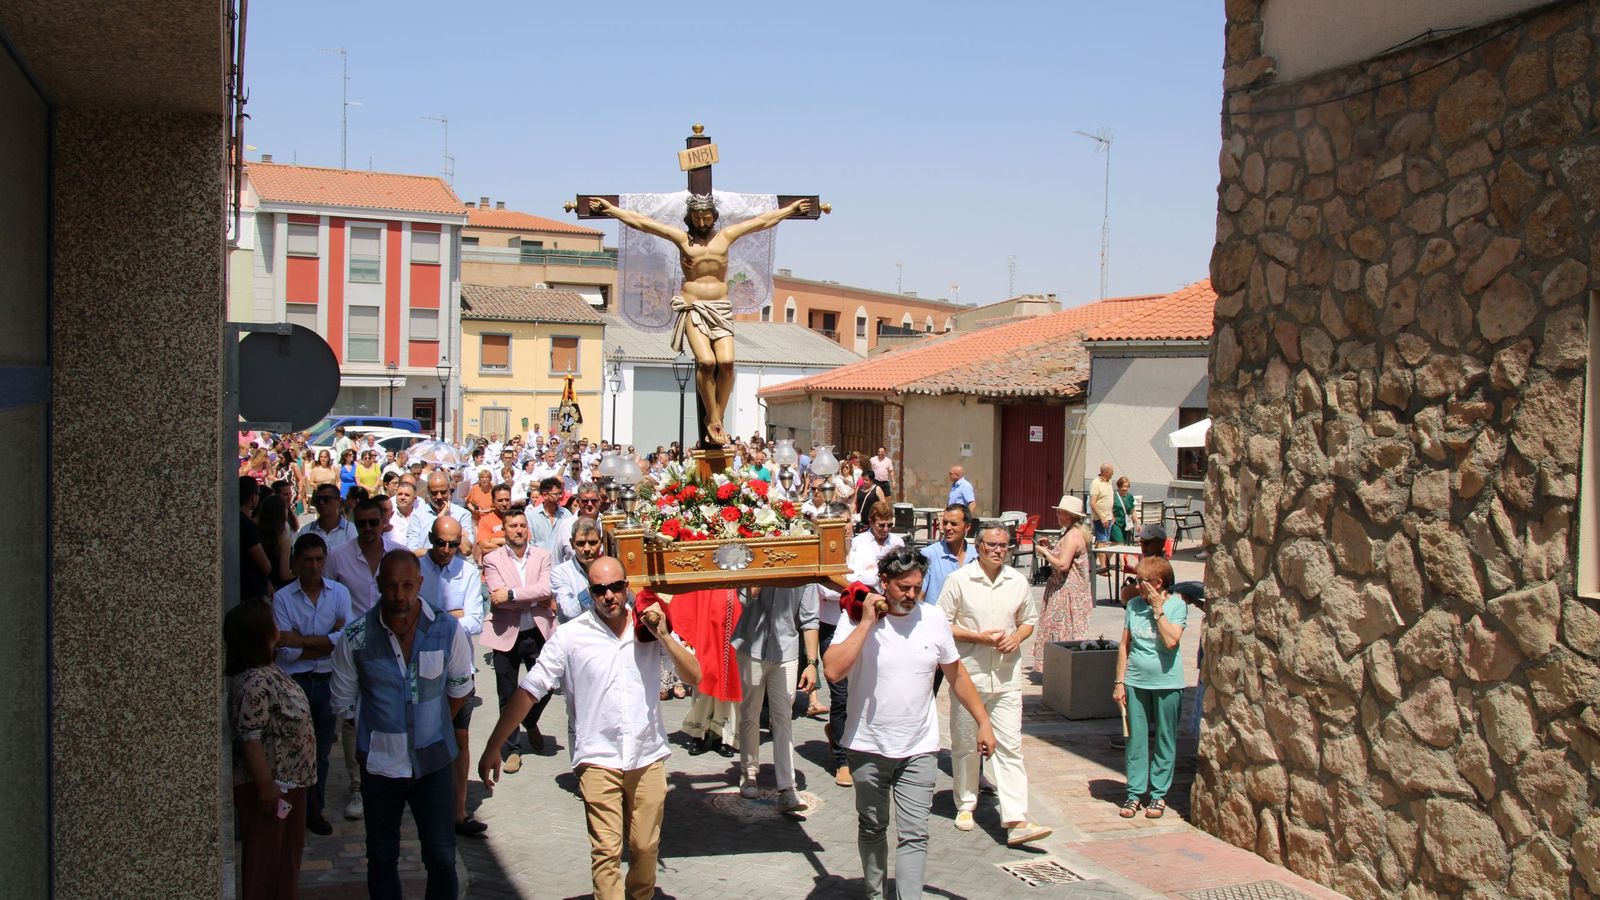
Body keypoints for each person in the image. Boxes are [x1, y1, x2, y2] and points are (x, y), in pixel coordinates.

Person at [478, 557, 703, 900]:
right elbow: (529, 690)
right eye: (600, 589)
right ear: (590, 592)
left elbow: (694, 675)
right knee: (607, 852)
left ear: (627, 586)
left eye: (616, 587)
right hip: (597, 757)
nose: (609, 595)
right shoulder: (570, 636)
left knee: (645, 846)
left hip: (647, 755)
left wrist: (663, 635)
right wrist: (494, 744)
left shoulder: (649, 627)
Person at [824, 548, 997, 900]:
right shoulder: (855, 618)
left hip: (919, 747)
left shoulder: (933, 618)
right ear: (884, 582)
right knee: (873, 827)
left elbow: (956, 674)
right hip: (868, 746)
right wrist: (867, 623)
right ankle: (875, 894)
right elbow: (833, 670)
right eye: (904, 587)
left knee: (915, 833)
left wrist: (983, 721)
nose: (911, 595)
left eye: (917, 588)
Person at [331, 551, 474, 900]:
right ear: (379, 584)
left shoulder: (447, 629)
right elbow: (344, 704)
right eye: (392, 586)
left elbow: (460, 689)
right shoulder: (356, 637)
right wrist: (379, 730)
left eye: (408, 585)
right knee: (382, 858)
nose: (400, 595)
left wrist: (432, 725)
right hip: (380, 768)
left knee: (442, 857)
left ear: (420, 584)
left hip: (433, 764)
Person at [938, 526, 1051, 845]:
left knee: (1010, 745)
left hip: (1006, 677)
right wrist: (978, 638)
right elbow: (941, 623)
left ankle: (1016, 817)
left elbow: (1029, 620)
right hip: (968, 676)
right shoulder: (959, 580)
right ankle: (966, 803)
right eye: (992, 544)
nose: (999, 550)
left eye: (1004, 545)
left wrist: (1016, 637)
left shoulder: (1017, 581)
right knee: (965, 744)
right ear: (978, 546)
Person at [226, 599, 316, 900]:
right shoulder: (253, 682)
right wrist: (265, 786)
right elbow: (250, 737)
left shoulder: (268, 671)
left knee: (285, 859)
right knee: (265, 862)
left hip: (291, 782)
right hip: (271, 788)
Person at [324, 497, 407, 821]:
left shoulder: (397, 553)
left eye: (374, 522)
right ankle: (357, 786)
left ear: (383, 522)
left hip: (391, 642)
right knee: (350, 717)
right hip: (354, 645)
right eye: (362, 523)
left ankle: (394, 776)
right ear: (353, 523)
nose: (368, 528)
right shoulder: (338, 555)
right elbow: (328, 593)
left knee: (393, 708)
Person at [272, 533, 353, 836]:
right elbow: (286, 650)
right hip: (295, 683)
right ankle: (290, 809)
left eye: (319, 559)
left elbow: (348, 639)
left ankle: (313, 810)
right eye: (307, 560)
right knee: (292, 749)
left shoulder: (339, 593)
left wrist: (301, 639)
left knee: (320, 752)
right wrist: (328, 640)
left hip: (327, 681)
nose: (314, 566)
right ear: (296, 562)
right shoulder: (283, 599)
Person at [416, 515, 486, 837]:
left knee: (460, 737)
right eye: (440, 543)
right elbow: (410, 616)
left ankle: (458, 810)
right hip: (420, 669)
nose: (445, 550)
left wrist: (434, 617)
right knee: (423, 735)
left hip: (458, 669)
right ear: (431, 539)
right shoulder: (416, 569)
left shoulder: (468, 572)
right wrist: (452, 616)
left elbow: (474, 621)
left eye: (453, 545)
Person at [479, 507, 557, 770]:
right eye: (513, 526)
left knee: (547, 685)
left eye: (522, 525)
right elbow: (496, 596)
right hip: (506, 633)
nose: (519, 530)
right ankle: (512, 749)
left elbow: (546, 588)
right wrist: (534, 598)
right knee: (507, 693)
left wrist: (513, 595)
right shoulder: (492, 559)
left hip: (538, 631)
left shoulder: (542, 556)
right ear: (504, 530)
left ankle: (529, 719)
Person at [731, 584, 819, 811]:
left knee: (783, 717)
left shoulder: (804, 574)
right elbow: (744, 598)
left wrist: (811, 663)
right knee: (750, 713)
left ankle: (788, 786)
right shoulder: (753, 564)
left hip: (786, 650)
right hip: (751, 646)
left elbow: (810, 619)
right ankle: (749, 772)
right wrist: (761, 577)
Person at [1114, 556, 1187, 820]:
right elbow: (1124, 646)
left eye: (1141, 581)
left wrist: (1158, 609)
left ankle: (1158, 794)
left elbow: (1171, 641)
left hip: (1168, 683)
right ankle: (1134, 793)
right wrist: (1119, 682)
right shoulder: (1134, 605)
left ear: (1157, 583)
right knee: (1135, 739)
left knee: (1165, 739)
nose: (1136, 586)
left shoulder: (1177, 606)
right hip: (1136, 682)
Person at [1033, 496, 1095, 671]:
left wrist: (1045, 553)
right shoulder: (1073, 532)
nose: (1058, 515)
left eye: (1061, 512)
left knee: (1061, 629)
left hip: (1066, 591)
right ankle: (1062, 667)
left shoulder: (1072, 535)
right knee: (1064, 629)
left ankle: (1061, 667)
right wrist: (1051, 548)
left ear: (1069, 515)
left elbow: (1063, 565)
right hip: (1069, 590)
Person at [551, 517, 605, 623]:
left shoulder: (609, 568)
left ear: (601, 542)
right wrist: (594, 588)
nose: (587, 549)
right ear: (572, 543)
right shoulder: (560, 573)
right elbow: (568, 612)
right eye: (581, 543)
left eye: (592, 543)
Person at [407, 471, 473, 556]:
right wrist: (457, 535)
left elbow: (466, 550)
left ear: (449, 489)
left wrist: (446, 519)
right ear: (428, 491)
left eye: (443, 492)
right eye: (434, 493)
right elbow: (412, 552)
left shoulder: (463, 514)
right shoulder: (418, 515)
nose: (439, 497)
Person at [239, 476, 273, 603]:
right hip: (251, 591)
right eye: (258, 494)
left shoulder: (234, 520)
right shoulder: (247, 526)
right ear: (252, 497)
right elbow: (265, 565)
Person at [527, 476, 574, 560]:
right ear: (545, 495)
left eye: (561, 493)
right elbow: (530, 542)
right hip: (539, 562)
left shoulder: (566, 514)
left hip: (562, 563)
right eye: (556, 494)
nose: (560, 496)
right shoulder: (531, 516)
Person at [298, 483, 357, 550]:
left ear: (339, 501)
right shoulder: (305, 531)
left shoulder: (351, 531)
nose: (321, 503)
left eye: (326, 499)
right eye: (318, 499)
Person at [257, 493, 294, 591]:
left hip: (261, 585)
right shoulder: (282, 539)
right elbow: (284, 574)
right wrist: (299, 572)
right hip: (279, 588)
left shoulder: (257, 534)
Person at [472, 483, 513, 565]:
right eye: (500, 500)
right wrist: (510, 543)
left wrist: (495, 540)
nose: (504, 504)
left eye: (507, 500)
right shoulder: (485, 521)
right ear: (493, 501)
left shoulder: (517, 518)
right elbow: (485, 547)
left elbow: (524, 543)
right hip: (493, 567)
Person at [1089, 463, 1116, 546]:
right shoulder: (1096, 483)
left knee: (1105, 542)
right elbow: (1092, 503)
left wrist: (1112, 515)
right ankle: (1101, 555)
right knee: (1102, 541)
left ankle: (1100, 554)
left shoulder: (1109, 482)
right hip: (1099, 518)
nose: (1113, 473)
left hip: (1109, 517)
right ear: (1106, 472)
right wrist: (1102, 517)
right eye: (1112, 471)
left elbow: (1109, 500)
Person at [1109, 476, 1137, 544]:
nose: (1125, 489)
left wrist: (1137, 523)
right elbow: (1109, 507)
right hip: (1116, 524)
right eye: (1123, 486)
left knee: (1124, 543)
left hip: (1126, 524)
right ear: (1119, 486)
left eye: (1127, 487)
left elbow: (1132, 510)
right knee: (1119, 542)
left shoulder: (1129, 497)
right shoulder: (1113, 495)